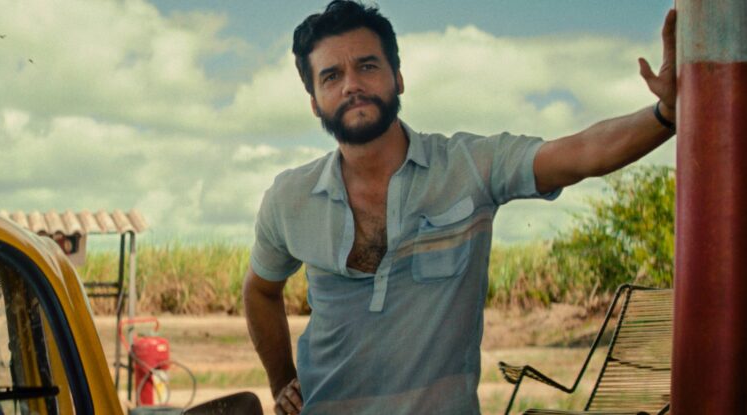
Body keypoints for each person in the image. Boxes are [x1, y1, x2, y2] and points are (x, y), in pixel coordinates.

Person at [243, 1, 677, 414]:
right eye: (331, 76)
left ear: (398, 78)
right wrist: (282, 381)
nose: (351, 84)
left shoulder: (469, 167)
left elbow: (583, 153)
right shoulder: (289, 197)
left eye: (368, 66)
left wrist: (666, 113)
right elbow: (260, 291)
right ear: (315, 102)